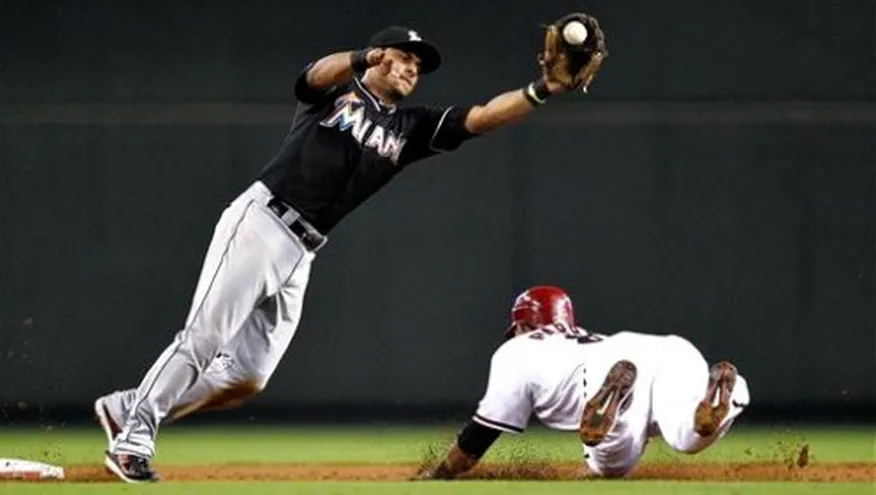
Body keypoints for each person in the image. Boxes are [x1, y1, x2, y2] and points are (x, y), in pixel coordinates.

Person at [95, 21, 609, 483]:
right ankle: (134, 438)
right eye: (406, 57)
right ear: (381, 55)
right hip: (262, 219)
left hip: (302, 250)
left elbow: (483, 117)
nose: (413, 68)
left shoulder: (409, 129)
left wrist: (543, 90)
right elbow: (313, 75)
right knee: (204, 337)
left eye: (419, 65)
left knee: (245, 377)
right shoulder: (337, 92)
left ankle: (128, 407)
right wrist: (363, 57)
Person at [416, 285, 750, 480]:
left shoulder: (515, 350)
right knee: (688, 438)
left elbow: (479, 436)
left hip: (609, 364)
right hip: (666, 349)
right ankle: (728, 390)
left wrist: (439, 474)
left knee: (612, 468)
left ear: (521, 325)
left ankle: (615, 395)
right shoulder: (587, 337)